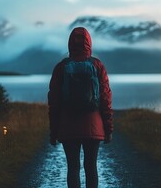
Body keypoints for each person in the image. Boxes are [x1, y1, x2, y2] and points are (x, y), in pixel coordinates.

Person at [48, 27, 113, 188]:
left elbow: (54, 102)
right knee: (91, 167)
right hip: (93, 126)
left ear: (70, 44)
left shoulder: (61, 67)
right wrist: (108, 129)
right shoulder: (97, 65)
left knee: (73, 168)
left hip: (68, 126)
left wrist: (53, 131)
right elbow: (105, 98)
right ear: (89, 43)